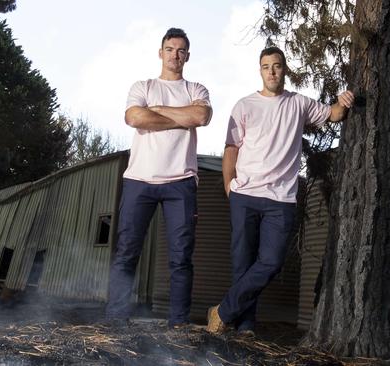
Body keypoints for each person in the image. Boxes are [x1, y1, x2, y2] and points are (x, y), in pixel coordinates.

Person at [206, 46, 353, 335]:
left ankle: (222, 311)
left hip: (280, 199)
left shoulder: (299, 104)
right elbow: (231, 149)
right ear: (259, 71)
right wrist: (229, 188)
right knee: (242, 264)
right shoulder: (244, 105)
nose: (271, 71)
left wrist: (344, 102)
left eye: (276, 66)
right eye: (265, 66)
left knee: (270, 262)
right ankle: (244, 327)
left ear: (285, 70)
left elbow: (334, 114)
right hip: (245, 195)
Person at [106, 28, 212, 328]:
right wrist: (181, 117)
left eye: (180, 50)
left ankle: (177, 325)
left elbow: (201, 117)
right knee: (127, 251)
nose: (174, 55)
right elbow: (134, 118)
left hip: (181, 182)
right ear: (160, 52)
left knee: (181, 258)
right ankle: (116, 321)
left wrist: (157, 112)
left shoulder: (197, 89)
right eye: (169, 49)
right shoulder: (143, 86)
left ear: (187, 56)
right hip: (139, 180)